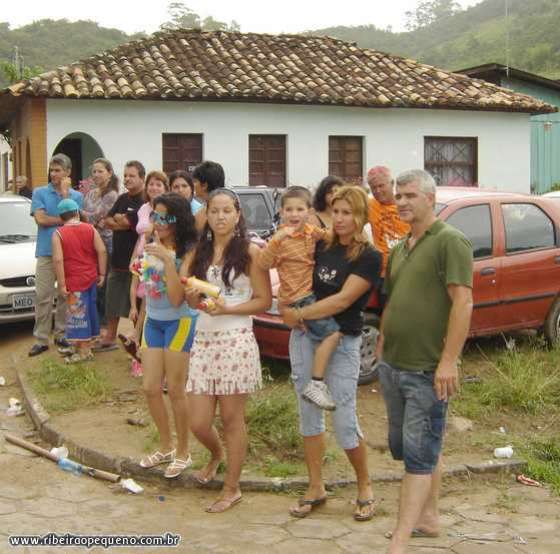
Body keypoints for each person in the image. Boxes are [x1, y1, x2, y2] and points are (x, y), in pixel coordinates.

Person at [376, 169, 473, 554]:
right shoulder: (402, 247)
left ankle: (400, 540)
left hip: (426, 369)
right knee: (409, 446)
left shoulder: (450, 241)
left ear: (430, 199)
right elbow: (393, 299)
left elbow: (463, 302)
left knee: (418, 454)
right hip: (393, 365)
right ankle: (428, 517)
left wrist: (449, 361)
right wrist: (383, 339)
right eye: (398, 195)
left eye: (409, 195)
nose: (400, 201)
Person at [282, 186, 381, 522]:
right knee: (309, 414)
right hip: (304, 338)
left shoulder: (369, 256)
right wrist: (287, 304)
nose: (340, 219)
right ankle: (315, 487)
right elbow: (293, 269)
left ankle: (364, 486)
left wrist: (297, 314)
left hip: (343, 342)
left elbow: (342, 301)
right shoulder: (321, 244)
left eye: (347, 213)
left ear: (361, 216)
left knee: (343, 420)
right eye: (336, 211)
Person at [183, 188, 271, 513]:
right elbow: (185, 293)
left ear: (237, 215)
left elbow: (264, 300)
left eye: (226, 211)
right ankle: (217, 454)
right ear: (206, 215)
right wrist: (192, 297)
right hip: (204, 341)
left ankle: (232, 488)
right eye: (214, 211)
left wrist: (228, 309)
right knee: (198, 422)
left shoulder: (250, 251)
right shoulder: (199, 251)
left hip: (236, 341)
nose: (220, 217)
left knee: (233, 419)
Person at [259, 186, 340, 411]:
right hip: (298, 298)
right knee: (333, 334)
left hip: (309, 296)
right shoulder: (281, 239)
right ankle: (316, 384)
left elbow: (334, 238)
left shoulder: (311, 232)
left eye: (300, 209)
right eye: (289, 209)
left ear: (309, 211)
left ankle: (317, 381)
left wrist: (323, 233)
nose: (294, 214)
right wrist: (276, 240)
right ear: (281, 212)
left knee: (317, 336)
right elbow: (263, 264)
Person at [138, 193, 199, 479]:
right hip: (153, 321)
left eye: (166, 217)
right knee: (150, 387)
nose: (160, 222)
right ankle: (165, 446)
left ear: (179, 219)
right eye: (156, 216)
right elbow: (147, 286)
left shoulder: (188, 251)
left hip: (179, 322)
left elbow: (176, 299)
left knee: (175, 390)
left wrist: (167, 260)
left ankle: (184, 452)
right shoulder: (151, 242)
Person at [28, 153, 83, 357]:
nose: (53, 174)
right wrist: (64, 219)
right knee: (43, 296)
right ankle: (41, 339)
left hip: (69, 253)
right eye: (51, 170)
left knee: (64, 295)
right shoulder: (40, 192)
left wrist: (65, 194)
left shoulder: (76, 196)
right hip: (46, 253)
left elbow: (75, 221)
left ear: (68, 172)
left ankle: (61, 333)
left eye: (58, 170)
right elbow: (41, 219)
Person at [52, 199, 107, 363]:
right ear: (77, 213)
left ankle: (84, 351)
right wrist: (102, 273)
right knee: (89, 311)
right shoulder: (90, 228)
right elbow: (102, 250)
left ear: (60, 217)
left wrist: (61, 283)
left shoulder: (58, 233)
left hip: (74, 282)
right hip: (90, 278)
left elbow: (58, 260)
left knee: (77, 315)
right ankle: (80, 345)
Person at [101, 161, 145, 350]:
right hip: (117, 261)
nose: (127, 179)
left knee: (137, 303)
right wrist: (121, 221)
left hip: (137, 263)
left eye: (131, 176)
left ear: (142, 178)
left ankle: (138, 340)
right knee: (112, 301)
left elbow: (129, 223)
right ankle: (110, 337)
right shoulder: (122, 198)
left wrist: (120, 221)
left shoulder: (144, 201)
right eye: (125, 175)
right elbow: (107, 221)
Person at [81, 158, 119, 334]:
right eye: (94, 171)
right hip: (90, 243)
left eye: (100, 171)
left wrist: (87, 216)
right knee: (92, 283)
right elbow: (89, 219)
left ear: (109, 173)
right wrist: (92, 219)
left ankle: (103, 326)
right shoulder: (90, 194)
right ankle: (93, 323)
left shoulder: (112, 195)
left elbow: (95, 216)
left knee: (104, 285)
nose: (96, 174)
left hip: (106, 245)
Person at [366, 166, 410, 308]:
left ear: (392, 183)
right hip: (383, 274)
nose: (377, 191)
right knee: (387, 313)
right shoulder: (370, 205)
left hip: (406, 271)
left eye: (381, 186)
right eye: (373, 187)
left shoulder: (407, 206)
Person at [191, 161, 225, 233]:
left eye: (195, 181)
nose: (193, 185)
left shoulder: (207, 210)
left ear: (204, 185)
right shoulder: (230, 205)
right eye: (176, 187)